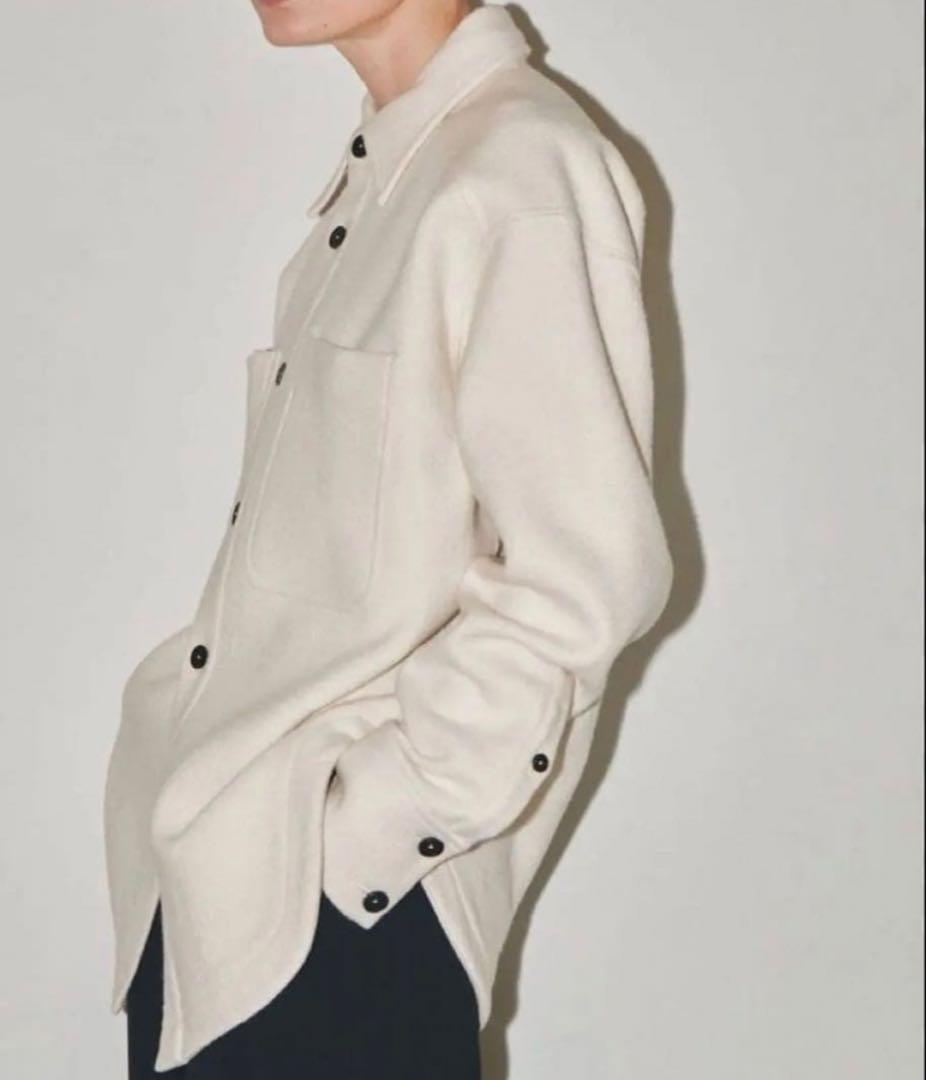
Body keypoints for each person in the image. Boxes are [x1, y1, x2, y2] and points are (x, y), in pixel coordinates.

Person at [103, 1, 675, 1076]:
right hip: (213, 895)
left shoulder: (519, 168)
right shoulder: (390, 174)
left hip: (340, 924)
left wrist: (366, 837)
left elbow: (583, 579)